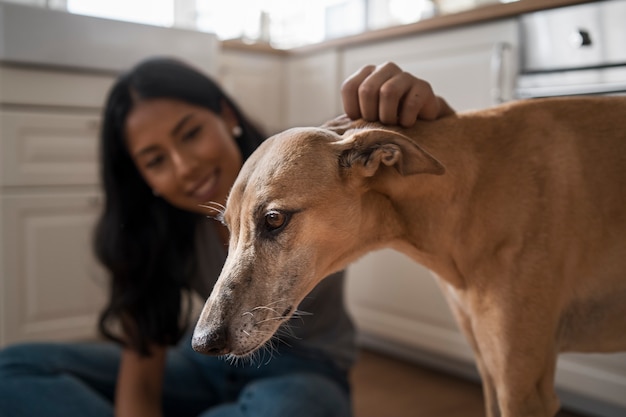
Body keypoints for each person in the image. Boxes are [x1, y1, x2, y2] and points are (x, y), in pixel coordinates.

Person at [0, 58, 453, 417]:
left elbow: (435, 179)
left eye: (191, 134)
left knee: (289, 410)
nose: (185, 167)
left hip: (303, 371)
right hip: (200, 365)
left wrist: (425, 112)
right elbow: (141, 373)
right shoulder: (154, 231)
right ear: (143, 179)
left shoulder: (313, 170)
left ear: (225, 115)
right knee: (11, 370)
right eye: (155, 160)